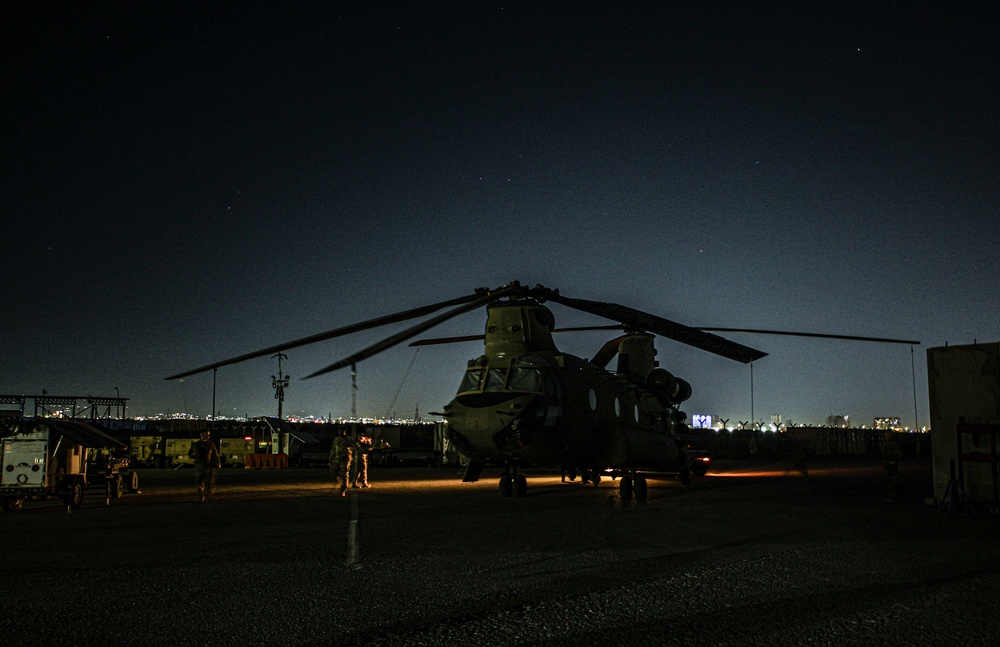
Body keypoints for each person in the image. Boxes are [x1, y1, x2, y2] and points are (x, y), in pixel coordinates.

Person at [188, 430, 221, 502]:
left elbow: (215, 454)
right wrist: (194, 453)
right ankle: (201, 496)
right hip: (199, 465)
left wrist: (218, 462)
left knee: (208, 482)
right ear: (201, 435)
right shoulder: (196, 444)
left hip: (208, 465)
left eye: (208, 435)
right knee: (199, 482)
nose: (207, 436)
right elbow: (190, 455)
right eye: (206, 435)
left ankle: (207, 495)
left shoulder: (210, 444)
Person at [329, 429, 357, 497]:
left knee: (345, 475)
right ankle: (337, 487)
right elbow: (333, 449)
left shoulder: (349, 439)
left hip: (345, 460)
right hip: (337, 459)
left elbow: (355, 446)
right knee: (334, 473)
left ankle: (343, 490)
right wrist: (330, 458)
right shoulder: (336, 439)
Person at [881, 429, 903, 502]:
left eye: (887, 434)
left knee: (892, 479)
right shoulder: (888, 442)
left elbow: (897, 452)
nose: (886, 436)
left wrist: (894, 460)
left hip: (891, 462)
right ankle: (892, 495)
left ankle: (892, 496)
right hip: (888, 462)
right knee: (890, 479)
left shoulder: (892, 442)